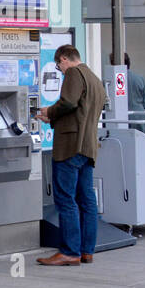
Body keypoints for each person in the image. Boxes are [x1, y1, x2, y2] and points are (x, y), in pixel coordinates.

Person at [37, 45, 106, 266]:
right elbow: (82, 110)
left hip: (70, 146)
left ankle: (69, 251)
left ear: (64, 59)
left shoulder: (75, 73)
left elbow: (68, 102)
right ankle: (86, 251)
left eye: (59, 66)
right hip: (88, 147)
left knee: (65, 199)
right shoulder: (94, 78)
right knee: (86, 199)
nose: (61, 70)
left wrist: (50, 113)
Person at [116, 54, 145, 136]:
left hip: (121, 117)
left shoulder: (114, 80)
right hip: (139, 115)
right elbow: (144, 103)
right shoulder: (139, 78)